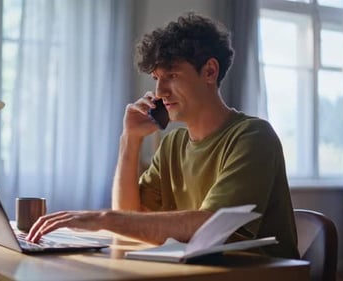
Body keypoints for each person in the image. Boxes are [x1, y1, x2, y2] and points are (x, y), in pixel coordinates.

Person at [27, 11, 299, 259]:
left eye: (171, 74)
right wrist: (130, 141)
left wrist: (102, 218)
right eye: (156, 77)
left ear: (210, 71)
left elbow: (209, 227)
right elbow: (131, 221)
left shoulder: (252, 136)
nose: (159, 92)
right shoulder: (172, 144)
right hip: (193, 273)